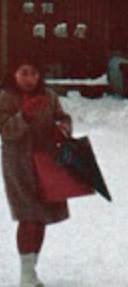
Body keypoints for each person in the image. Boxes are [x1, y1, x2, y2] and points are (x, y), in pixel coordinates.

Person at [0, 59, 73, 287]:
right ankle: (26, 276)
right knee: (28, 217)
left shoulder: (50, 96)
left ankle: (31, 272)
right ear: (14, 74)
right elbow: (6, 131)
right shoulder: (5, 98)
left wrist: (63, 126)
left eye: (34, 73)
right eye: (23, 73)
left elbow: (62, 117)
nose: (29, 79)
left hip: (47, 163)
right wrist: (25, 116)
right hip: (18, 166)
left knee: (42, 218)